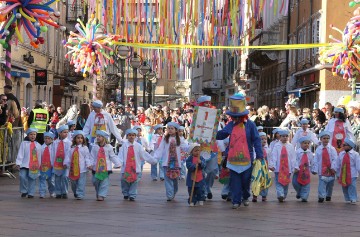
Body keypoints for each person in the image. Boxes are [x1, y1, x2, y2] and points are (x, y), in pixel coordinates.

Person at [216, 93, 263, 209]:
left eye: (238, 116)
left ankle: (245, 196)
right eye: (234, 116)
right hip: (232, 158)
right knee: (235, 181)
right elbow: (221, 135)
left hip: (247, 158)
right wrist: (209, 132)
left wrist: (259, 155)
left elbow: (256, 140)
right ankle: (236, 200)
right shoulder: (231, 125)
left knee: (246, 181)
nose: (236, 119)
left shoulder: (250, 125)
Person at [118, 129, 157, 201]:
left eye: (133, 135)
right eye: (129, 135)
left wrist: (152, 161)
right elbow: (120, 155)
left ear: (135, 136)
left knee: (134, 181)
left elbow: (144, 154)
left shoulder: (138, 146)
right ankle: (125, 193)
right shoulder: (124, 146)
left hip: (135, 167)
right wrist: (118, 163)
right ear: (127, 136)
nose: (131, 137)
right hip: (126, 168)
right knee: (124, 181)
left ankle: (132, 194)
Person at [154, 122, 189, 201]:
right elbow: (160, 149)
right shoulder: (165, 139)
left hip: (176, 163)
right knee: (168, 179)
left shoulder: (180, 139)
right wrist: (155, 158)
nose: (170, 130)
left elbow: (186, 147)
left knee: (175, 179)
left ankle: (174, 191)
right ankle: (169, 195)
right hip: (167, 162)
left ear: (176, 130)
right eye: (168, 128)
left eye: (172, 128)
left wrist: (194, 146)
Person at [90, 130, 121, 201]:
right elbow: (92, 156)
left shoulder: (109, 147)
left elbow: (112, 156)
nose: (98, 138)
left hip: (105, 168)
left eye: (100, 136)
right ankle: (98, 192)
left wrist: (117, 163)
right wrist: (90, 164)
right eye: (97, 136)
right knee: (95, 181)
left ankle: (102, 194)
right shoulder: (94, 147)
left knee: (104, 182)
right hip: (96, 168)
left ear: (104, 138)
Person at [269, 129, 296, 203]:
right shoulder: (276, 146)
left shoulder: (290, 146)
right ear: (279, 137)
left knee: (286, 183)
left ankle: (284, 194)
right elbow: (274, 156)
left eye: (286, 136)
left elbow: (293, 157)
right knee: (278, 182)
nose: (285, 138)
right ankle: (280, 194)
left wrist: (294, 167)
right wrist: (272, 165)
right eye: (283, 136)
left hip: (288, 169)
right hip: (279, 168)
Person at [64, 130, 91, 200]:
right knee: (73, 182)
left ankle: (80, 194)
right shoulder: (71, 148)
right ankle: (75, 192)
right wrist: (66, 163)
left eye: (81, 138)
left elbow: (87, 157)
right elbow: (68, 156)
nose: (80, 139)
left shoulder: (85, 148)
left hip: (82, 169)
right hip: (73, 168)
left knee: (81, 182)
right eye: (78, 138)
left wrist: (88, 164)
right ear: (75, 139)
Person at [15, 128, 42, 198]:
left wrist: (40, 165)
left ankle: (31, 193)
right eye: (31, 134)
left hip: (34, 165)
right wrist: (18, 163)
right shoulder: (24, 143)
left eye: (34, 134)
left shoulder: (38, 145)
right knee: (22, 176)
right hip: (24, 164)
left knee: (32, 178)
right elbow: (20, 153)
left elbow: (39, 156)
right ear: (28, 135)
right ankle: (24, 191)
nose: (33, 136)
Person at [312, 131, 337, 203]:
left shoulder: (332, 149)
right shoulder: (318, 149)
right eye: (324, 138)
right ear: (321, 139)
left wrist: (333, 167)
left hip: (330, 169)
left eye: (327, 138)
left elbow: (335, 158)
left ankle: (328, 195)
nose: (326, 140)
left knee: (330, 183)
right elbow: (316, 159)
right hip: (322, 169)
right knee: (322, 183)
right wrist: (315, 169)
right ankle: (321, 196)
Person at [333, 138, 360, 204]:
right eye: (343, 145)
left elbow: (358, 163)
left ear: (350, 146)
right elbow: (338, 163)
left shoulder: (355, 154)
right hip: (343, 173)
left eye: (345, 145)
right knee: (344, 186)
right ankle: (347, 198)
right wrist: (335, 169)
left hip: (352, 174)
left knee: (352, 186)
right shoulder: (341, 154)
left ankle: (353, 198)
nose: (343, 146)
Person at [52, 125, 72, 199]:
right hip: (57, 163)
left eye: (67, 132)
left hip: (65, 164)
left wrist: (66, 162)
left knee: (65, 177)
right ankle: (58, 192)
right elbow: (53, 152)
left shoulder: (69, 143)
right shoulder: (55, 142)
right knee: (57, 177)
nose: (66, 134)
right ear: (59, 133)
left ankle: (64, 192)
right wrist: (52, 162)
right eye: (64, 132)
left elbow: (69, 153)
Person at [292, 136, 313, 202]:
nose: (306, 144)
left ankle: (304, 196)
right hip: (298, 171)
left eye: (308, 143)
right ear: (301, 144)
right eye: (304, 143)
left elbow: (312, 161)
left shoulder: (309, 153)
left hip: (306, 171)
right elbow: (294, 160)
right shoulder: (297, 152)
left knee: (306, 183)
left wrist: (313, 169)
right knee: (295, 183)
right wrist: (296, 167)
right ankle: (299, 192)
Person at [252, 132, 270, 202]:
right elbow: (253, 156)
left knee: (265, 180)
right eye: (261, 139)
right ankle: (255, 195)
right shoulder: (254, 149)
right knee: (256, 180)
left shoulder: (268, 149)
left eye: (265, 139)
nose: (264, 140)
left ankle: (264, 195)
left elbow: (270, 158)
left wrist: (271, 165)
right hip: (257, 167)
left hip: (265, 168)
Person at [39, 132, 56, 198]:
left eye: (49, 138)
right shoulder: (41, 148)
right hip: (42, 167)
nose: (47, 140)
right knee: (42, 180)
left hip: (51, 166)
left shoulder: (54, 148)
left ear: (52, 140)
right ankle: (42, 193)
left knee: (51, 181)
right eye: (45, 138)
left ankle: (52, 191)